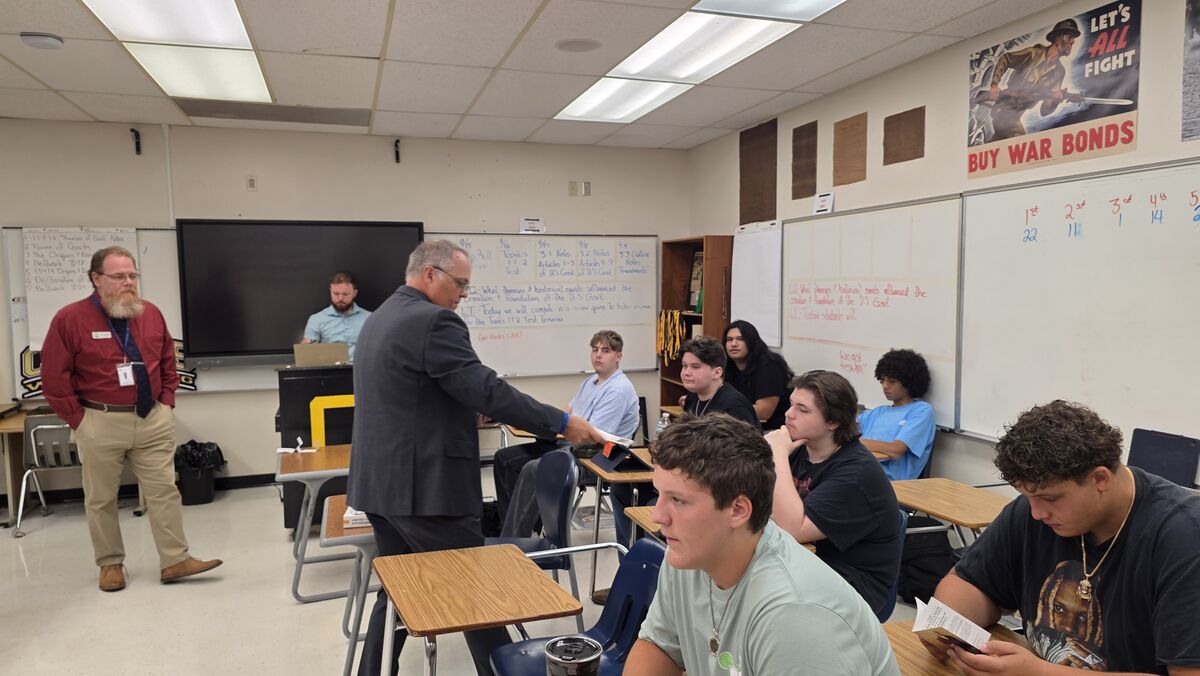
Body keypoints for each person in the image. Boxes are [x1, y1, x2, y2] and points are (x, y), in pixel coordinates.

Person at [346, 239, 604, 676]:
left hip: (381, 484)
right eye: (460, 284)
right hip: (425, 490)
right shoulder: (433, 322)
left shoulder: (381, 316)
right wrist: (563, 422)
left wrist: (462, 406)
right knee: (474, 596)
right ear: (430, 274)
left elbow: (416, 392)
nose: (463, 295)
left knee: (397, 593)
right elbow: (487, 389)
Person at [926, 400, 1200, 675]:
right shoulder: (1035, 513)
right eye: (1027, 497)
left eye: (1050, 498)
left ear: (1101, 479)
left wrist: (1040, 673)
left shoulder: (1183, 539)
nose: (1036, 513)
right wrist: (947, 629)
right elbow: (969, 583)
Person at [626, 413, 899, 676]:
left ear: (737, 510)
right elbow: (660, 645)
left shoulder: (795, 618)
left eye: (678, 500)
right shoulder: (689, 554)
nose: (658, 516)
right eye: (659, 494)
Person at [39, 246, 222, 592]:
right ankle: (110, 564)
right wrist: (80, 421)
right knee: (101, 498)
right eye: (119, 276)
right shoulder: (70, 319)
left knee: (165, 491)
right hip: (100, 420)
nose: (129, 283)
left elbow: (168, 360)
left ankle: (174, 559)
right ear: (96, 279)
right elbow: (54, 379)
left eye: (132, 275)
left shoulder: (150, 313)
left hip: (151, 418)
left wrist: (167, 401)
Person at [765, 370, 902, 618]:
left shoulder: (856, 473)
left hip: (852, 587)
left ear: (833, 422)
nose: (788, 414)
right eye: (791, 404)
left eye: (802, 409)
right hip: (806, 565)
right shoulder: (800, 448)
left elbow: (793, 529)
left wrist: (776, 455)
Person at [494, 329, 639, 537]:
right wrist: (539, 423)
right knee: (505, 459)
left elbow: (591, 436)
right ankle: (513, 531)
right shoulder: (591, 382)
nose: (598, 355)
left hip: (595, 457)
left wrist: (556, 430)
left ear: (618, 357)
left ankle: (514, 542)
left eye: (605, 350)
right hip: (570, 447)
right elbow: (568, 414)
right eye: (595, 349)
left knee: (535, 469)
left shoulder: (619, 389)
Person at [982, 18, 1080, 140]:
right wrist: (994, 85)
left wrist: (1056, 100)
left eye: (1073, 38)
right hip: (1004, 108)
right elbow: (1005, 58)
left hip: (1016, 115)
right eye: (1069, 37)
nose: (1072, 41)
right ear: (1057, 38)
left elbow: (1044, 111)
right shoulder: (1033, 54)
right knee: (1021, 143)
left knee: (998, 146)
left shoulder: (1059, 72)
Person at [858, 348, 936, 480]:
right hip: (860, 473)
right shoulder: (877, 412)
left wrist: (855, 443)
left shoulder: (921, 411)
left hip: (888, 482)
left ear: (909, 382)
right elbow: (843, 434)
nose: (885, 386)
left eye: (892, 381)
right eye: (882, 380)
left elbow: (895, 450)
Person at [722, 320, 793, 429]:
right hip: (740, 426)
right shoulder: (727, 366)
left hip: (771, 430)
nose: (734, 344)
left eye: (741, 339)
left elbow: (764, 412)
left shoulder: (769, 366)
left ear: (751, 341)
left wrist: (722, 407)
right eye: (729, 339)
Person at [678, 336, 759, 430]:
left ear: (717, 373)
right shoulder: (692, 397)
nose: (686, 372)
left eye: (695, 367)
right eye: (684, 366)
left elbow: (745, 444)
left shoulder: (735, 407)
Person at [302, 271, 370, 362]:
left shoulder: (369, 318)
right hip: (329, 372)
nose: (340, 298)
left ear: (355, 293)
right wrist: (306, 348)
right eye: (336, 294)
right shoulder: (316, 319)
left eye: (345, 294)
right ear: (330, 292)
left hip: (361, 371)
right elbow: (307, 355)